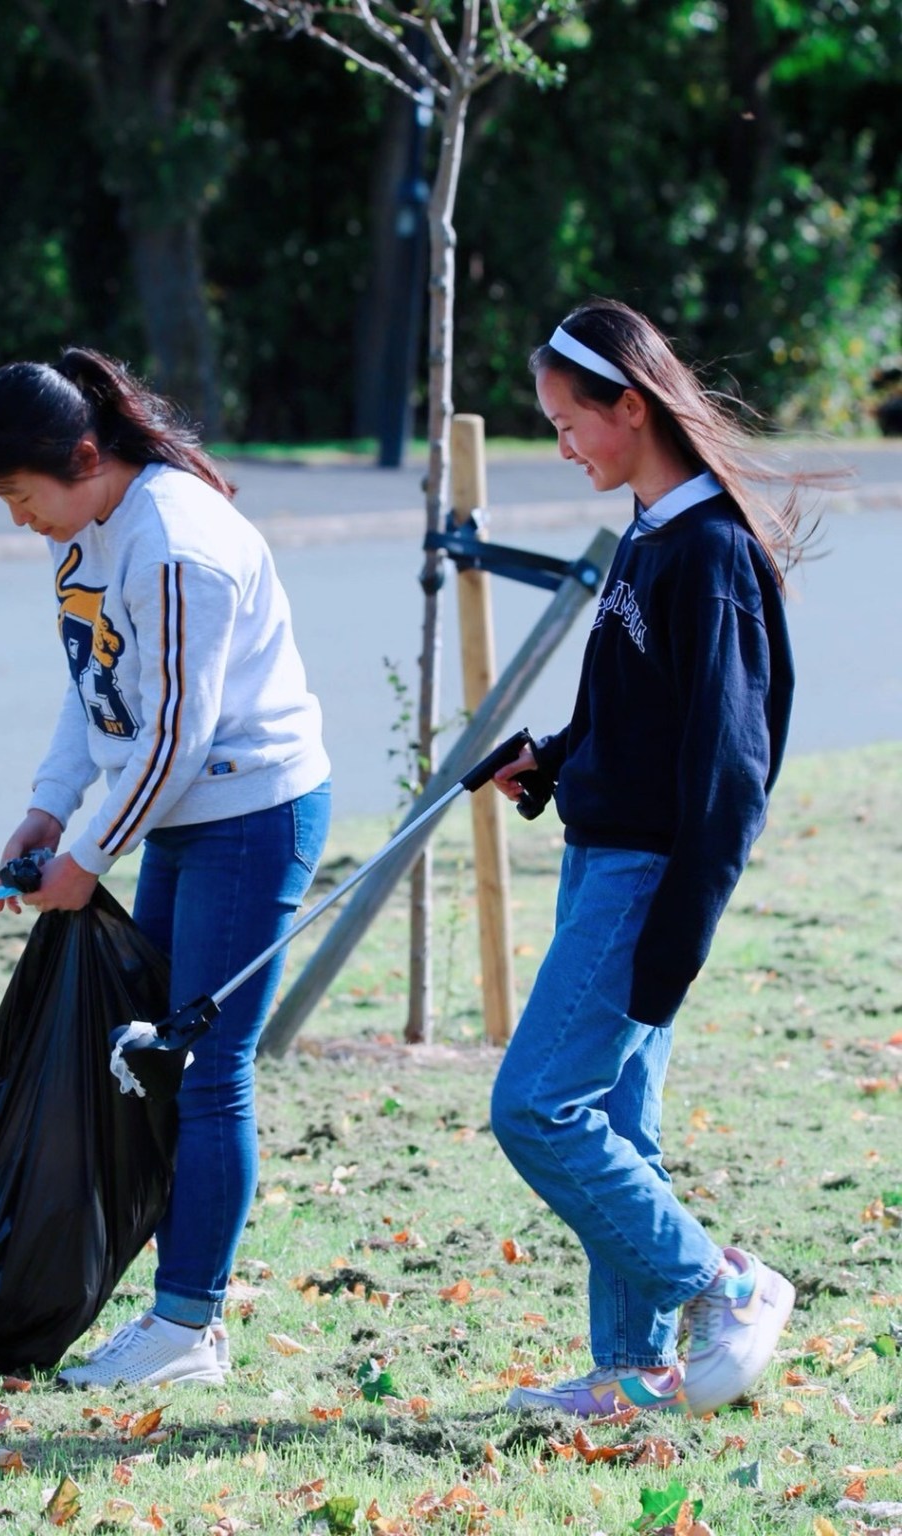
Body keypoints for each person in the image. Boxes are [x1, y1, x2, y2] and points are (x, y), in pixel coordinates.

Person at [0, 349, 331, 1389]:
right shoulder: (89, 536)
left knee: (199, 1071)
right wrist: (45, 809)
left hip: (250, 814)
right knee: (140, 1056)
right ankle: (167, 1317)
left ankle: (187, 1329)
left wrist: (85, 857)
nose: (21, 519)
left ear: (80, 456)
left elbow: (179, 736)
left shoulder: (172, 542)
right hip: (178, 814)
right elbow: (93, 690)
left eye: (22, 495)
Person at [490, 298, 807, 1417]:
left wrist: (677, 930)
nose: (561, 444)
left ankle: (727, 1284)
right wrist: (555, 758)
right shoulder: (652, 527)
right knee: (617, 1128)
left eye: (569, 421)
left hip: (644, 882)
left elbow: (727, 771)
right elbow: (637, 712)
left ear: (630, 406)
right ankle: (631, 1377)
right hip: (602, 856)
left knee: (534, 1107)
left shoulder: (709, 553)